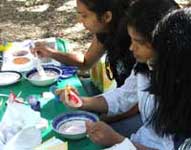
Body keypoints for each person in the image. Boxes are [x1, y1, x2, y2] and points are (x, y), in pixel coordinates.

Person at [56, 0, 179, 149]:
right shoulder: (147, 66)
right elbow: (124, 96)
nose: (132, 48)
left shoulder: (182, 89)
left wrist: (117, 140)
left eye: (138, 42)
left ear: (165, 43)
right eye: (131, 39)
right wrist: (82, 102)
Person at [32, 0, 135, 87]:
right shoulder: (105, 31)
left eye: (84, 16)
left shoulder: (136, 41)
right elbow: (85, 63)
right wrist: (51, 53)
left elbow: (137, 96)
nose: (79, 20)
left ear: (107, 16)